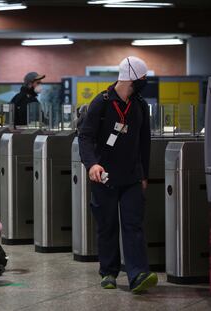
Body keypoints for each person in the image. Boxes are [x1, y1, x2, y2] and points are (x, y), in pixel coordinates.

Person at [78, 56, 158, 294]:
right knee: (107, 225)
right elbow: (85, 136)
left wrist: (144, 174)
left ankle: (137, 274)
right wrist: (91, 164)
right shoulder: (101, 103)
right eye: (143, 78)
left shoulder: (140, 105)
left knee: (133, 225)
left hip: (132, 176)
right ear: (132, 77)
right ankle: (109, 272)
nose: (145, 82)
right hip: (104, 177)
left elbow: (145, 142)